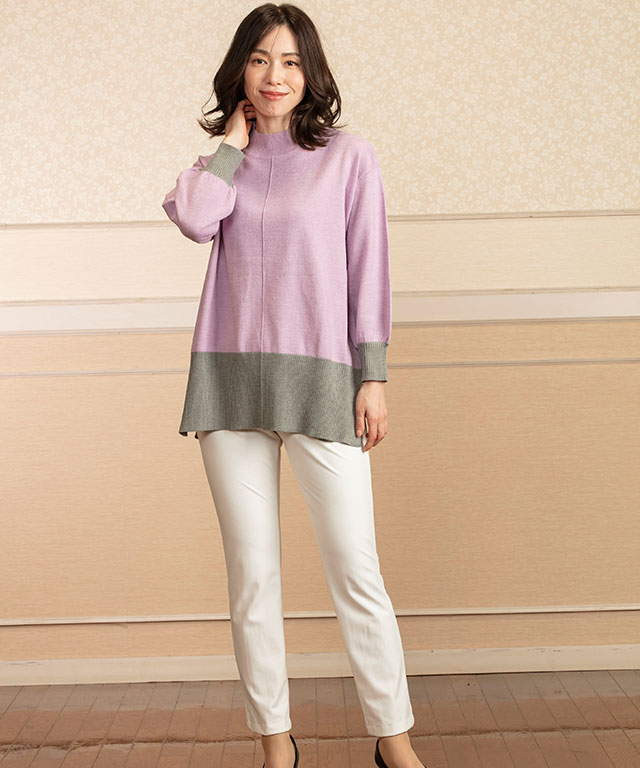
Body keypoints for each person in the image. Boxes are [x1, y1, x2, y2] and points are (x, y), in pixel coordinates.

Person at [162, 5, 426, 768]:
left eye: (289, 61)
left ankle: (394, 742)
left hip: (322, 384)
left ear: (310, 72)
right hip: (230, 389)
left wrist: (373, 376)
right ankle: (275, 746)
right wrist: (232, 144)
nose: (274, 76)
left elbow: (369, 267)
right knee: (253, 576)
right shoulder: (219, 168)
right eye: (259, 60)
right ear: (240, 71)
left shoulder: (349, 157)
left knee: (356, 569)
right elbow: (196, 222)